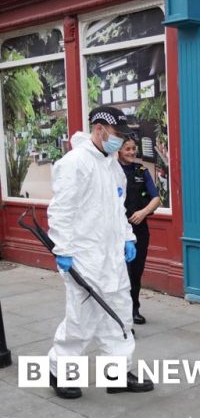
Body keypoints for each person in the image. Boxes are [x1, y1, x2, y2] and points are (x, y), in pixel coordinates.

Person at [47, 106, 154, 399]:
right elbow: (61, 210)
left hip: (112, 257)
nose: (120, 142)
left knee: (119, 317)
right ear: (99, 129)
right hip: (83, 257)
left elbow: (117, 210)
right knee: (81, 320)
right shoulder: (75, 163)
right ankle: (61, 372)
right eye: (117, 135)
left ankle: (118, 374)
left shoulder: (112, 166)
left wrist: (127, 237)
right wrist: (64, 250)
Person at [118, 137, 162, 325]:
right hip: (116, 230)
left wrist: (143, 213)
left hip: (139, 230)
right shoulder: (111, 170)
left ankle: (134, 309)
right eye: (127, 148)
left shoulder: (141, 171)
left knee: (135, 272)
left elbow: (156, 198)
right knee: (120, 274)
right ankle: (120, 312)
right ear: (119, 151)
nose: (131, 152)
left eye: (133, 148)